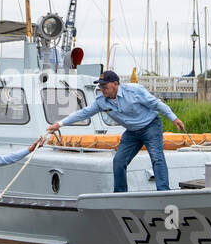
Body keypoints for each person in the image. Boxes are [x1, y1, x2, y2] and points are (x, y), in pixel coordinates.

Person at [45, 69, 187, 192]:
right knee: (118, 161)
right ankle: (120, 194)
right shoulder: (101, 101)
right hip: (132, 132)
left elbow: (157, 104)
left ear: (115, 84)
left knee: (157, 158)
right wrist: (60, 124)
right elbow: (84, 113)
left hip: (150, 126)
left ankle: (163, 191)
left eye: (104, 86)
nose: (102, 89)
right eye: (100, 86)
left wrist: (174, 118)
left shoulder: (134, 91)